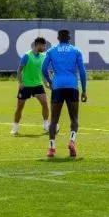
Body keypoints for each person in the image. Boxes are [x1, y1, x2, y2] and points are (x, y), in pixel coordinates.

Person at [41, 28, 87, 158]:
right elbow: (82, 72)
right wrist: (84, 90)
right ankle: (72, 141)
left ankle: (51, 148)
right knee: (74, 118)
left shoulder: (51, 51)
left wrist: (50, 81)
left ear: (58, 38)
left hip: (58, 86)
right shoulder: (76, 51)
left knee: (54, 120)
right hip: (72, 85)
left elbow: (43, 69)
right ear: (69, 38)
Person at [12, 37, 50, 135]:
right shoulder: (27, 56)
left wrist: (45, 82)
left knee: (45, 103)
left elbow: (42, 71)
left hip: (38, 84)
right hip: (26, 85)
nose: (44, 47)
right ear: (38, 45)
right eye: (43, 45)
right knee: (20, 106)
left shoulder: (43, 57)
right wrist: (20, 82)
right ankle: (15, 127)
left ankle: (46, 125)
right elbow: (19, 70)